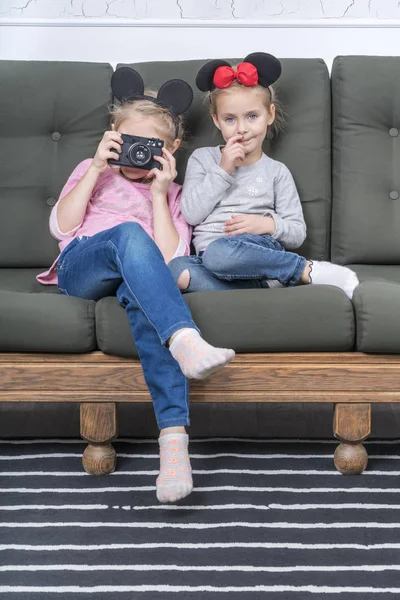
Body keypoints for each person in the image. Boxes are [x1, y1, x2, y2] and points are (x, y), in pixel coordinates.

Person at [37, 67, 235, 504]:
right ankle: (185, 338)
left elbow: (168, 261)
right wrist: (95, 165)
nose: (138, 156)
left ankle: (174, 447)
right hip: (81, 267)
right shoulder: (95, 172)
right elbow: (61, 226)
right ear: (114, 137)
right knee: (129, 233)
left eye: (151, 148)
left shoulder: (174, 192)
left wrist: (161, 194)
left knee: (146, 297)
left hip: (138, 279)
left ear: (172, 149)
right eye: (131, 145)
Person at [168, 52, 359, 299]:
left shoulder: (276, 172)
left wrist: (266, 225)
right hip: (210, 260)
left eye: (252, 116)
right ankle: (269, 285)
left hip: (256, 249)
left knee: (219, 253)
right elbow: (192, 214)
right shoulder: (204, 159)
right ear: (216, 121)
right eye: (230, 119)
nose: (242, 129)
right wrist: (223, 169)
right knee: (175, 271)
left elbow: (297, 231)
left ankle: (303, 269)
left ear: (269, 114)